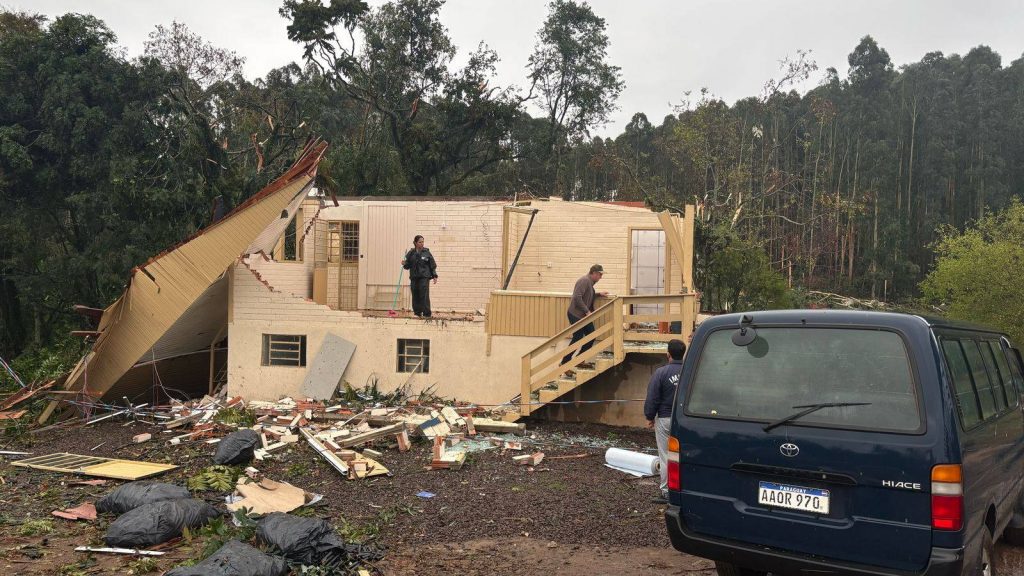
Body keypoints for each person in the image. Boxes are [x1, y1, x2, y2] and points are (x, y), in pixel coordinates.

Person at [644, 338, 686, 503]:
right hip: (685, 420)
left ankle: (667, 491)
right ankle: (685, 489)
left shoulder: (661, 373)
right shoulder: (689, 371)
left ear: (668, 354)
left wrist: (649, 416)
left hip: (665, 418)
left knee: (666, 456)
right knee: (684, 455)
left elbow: (653, 397)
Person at [561, 264, 608, 367]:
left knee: (591, 336)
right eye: (600, 275)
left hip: (583, 316)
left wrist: (599, 294)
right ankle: (564, 363)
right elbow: (577, 297)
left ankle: (579, 360)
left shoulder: (589, 282)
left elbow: (587, 294)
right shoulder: (584, 281)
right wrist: (587, 311)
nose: (601, 277)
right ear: (594, 273)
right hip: (576, 315)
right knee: (577, 337)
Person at [402, 235, 438, 318]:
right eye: (420, 242)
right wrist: (404, 263)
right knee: (415, 294)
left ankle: (426, 314)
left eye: (423, 242)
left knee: (424, 294)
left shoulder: (427, 252)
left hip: (424, 277)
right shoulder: (411, 253)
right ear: (415, 243)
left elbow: (432, 265)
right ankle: (417, 313)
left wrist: (434, 275)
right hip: (414, 277)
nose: (422, 243)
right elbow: (407, 266)